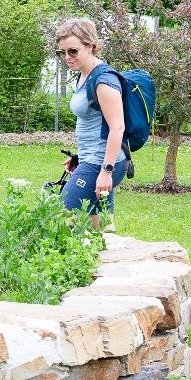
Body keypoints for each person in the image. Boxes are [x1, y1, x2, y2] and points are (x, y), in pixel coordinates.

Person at [55, 18, 126, 229]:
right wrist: (80, 157)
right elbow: (94, 124)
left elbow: (117, 128)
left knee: (60, 219)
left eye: (73, 51)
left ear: (90, 45)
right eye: (62, 52)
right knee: (102, 229)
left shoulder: (104, 81)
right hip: (92, 159)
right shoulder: (85, 75)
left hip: (102, 163)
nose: (67, 57)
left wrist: (106, 172)